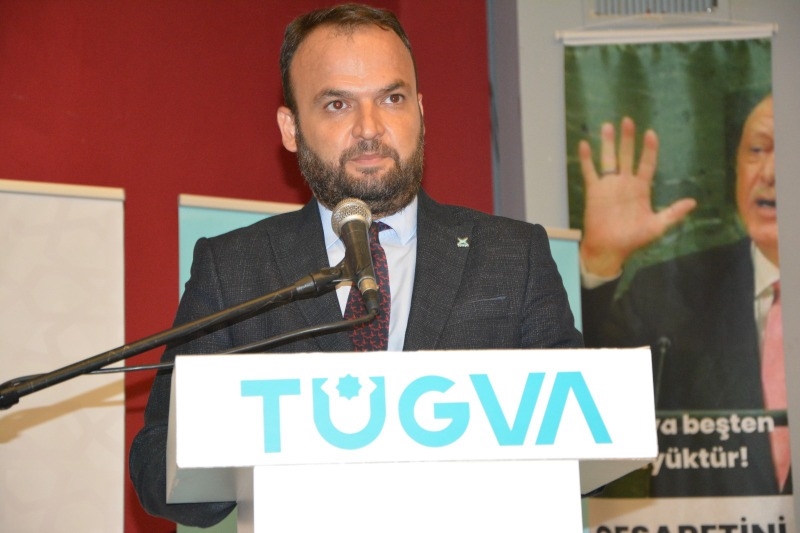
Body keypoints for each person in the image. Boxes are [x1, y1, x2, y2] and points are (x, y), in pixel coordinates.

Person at [129, 3, 582, 528]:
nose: (370, 128)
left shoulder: (512, 255)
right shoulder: (235, 268)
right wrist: (251, 439)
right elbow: (157, 464)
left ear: (420, 110)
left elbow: (585, 431)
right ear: (291, 128)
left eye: (392, 98)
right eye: (338, 104)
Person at [578, 94, 785, 496]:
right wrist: (600, 261)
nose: (770, 172)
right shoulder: (669, 294)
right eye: (757, 150)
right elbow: (578, 403)